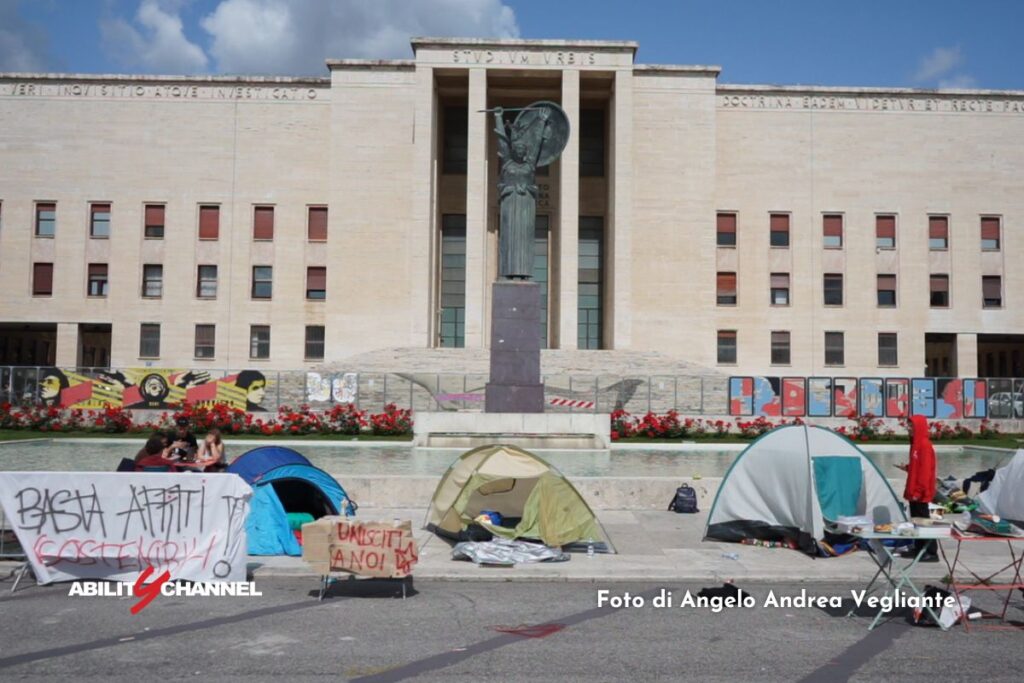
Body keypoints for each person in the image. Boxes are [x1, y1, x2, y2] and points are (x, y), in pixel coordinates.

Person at [896, 414, 938, 561]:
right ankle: (919, 548)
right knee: (915, 520)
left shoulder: (924, 446)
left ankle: (931, 552)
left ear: (918, 427)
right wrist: (908, 467)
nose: (908, 428)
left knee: (923, 520)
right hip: (914, 490)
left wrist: (918, 491)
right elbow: (917, 466)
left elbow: (925, 472)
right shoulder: (916, 445)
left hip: (920, 492)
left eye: (911, 426)